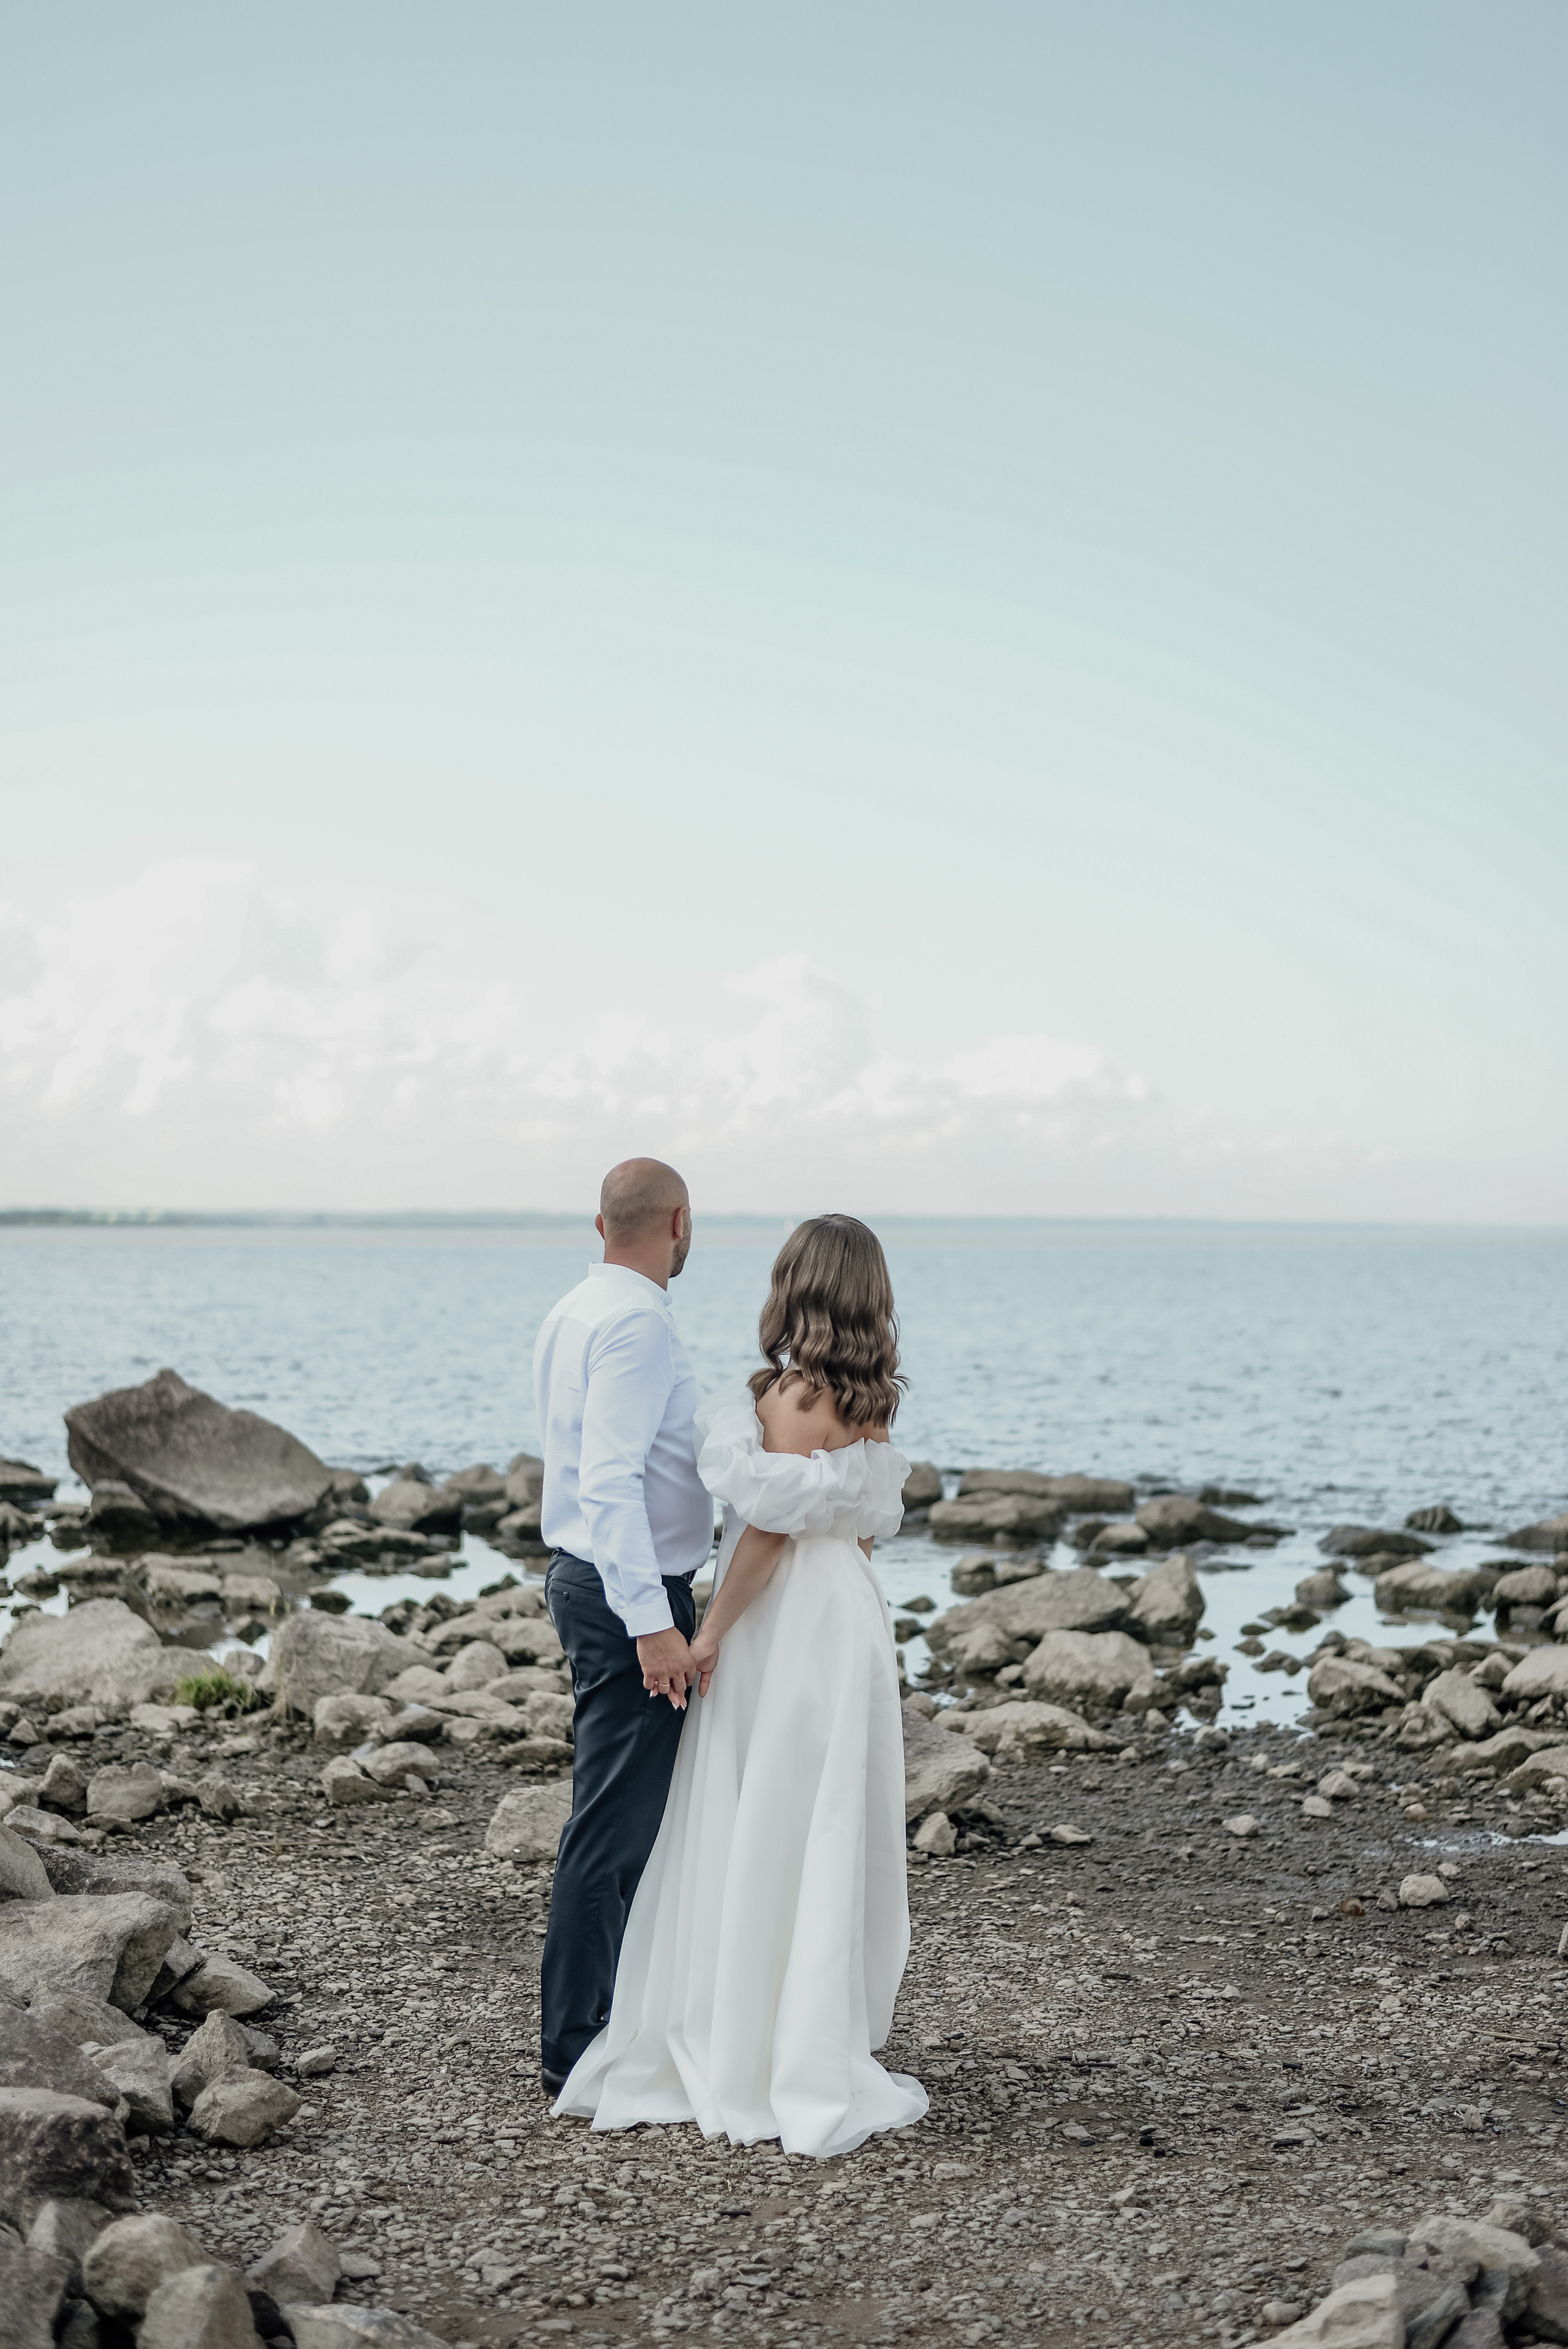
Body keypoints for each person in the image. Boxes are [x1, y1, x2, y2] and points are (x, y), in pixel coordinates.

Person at [552, 1213, 929, 2159]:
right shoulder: (872, 1397)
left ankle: (749, 2036)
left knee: (759, 1813)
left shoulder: (790, 1395)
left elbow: (764, 1530)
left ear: (793, 1285)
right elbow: (855, 1522)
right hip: (845, 1611)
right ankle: (808, 2025)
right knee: (821, 1816)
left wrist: (708, 1632)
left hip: (785, 1620)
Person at [534, 1157, 713, 2094]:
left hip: (587, 1578)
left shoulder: (575, 1309)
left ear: (599, 1223)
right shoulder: (637, 1321)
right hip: (622, 1593)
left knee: (615, 1816)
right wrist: (653, 1621)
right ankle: (577, 2040)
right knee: (613, 1823)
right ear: (677, 1220)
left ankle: (605, 2018)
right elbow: (608, 1479)